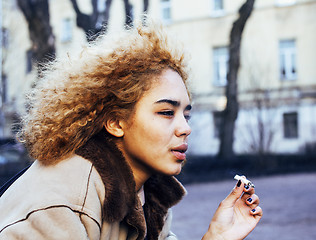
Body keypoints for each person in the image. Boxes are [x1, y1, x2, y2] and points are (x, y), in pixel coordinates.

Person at [0, 20, 262, 240]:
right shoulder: (59, 203)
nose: (185, 128)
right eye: (166, 112)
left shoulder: (148, 195)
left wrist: (215, 236)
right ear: (115, 122)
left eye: (186, 114)